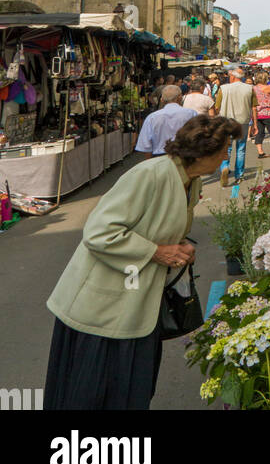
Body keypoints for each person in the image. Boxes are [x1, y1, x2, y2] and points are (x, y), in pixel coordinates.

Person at [44, 114, 243, 411]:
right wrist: (157, 251)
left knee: (130, 391)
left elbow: (160, 227)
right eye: (226, 148)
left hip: (138, 306)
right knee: (91, 394)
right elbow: (99, 232)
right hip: (102, 310)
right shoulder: (151, 174)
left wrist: (179, 246)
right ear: (206, 153)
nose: (228, 154)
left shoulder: (190, 179)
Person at [214, 67, 258, 185]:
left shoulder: (223, 88)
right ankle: (239, 175)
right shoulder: (250, 88)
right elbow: (254, 107)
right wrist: (255, 124)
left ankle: (224, 167)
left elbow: (217, 108)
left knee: (226, 148)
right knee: (241, 148)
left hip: (226, 121)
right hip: (242, 122)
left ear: (232, 76)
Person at [136, 85, 198, 158]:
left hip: (159, 158)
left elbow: (146, 146)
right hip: (185, 157)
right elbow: (197, 138)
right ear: (180, 97)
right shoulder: (191, 114)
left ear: (162, 99)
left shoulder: (152, 118)